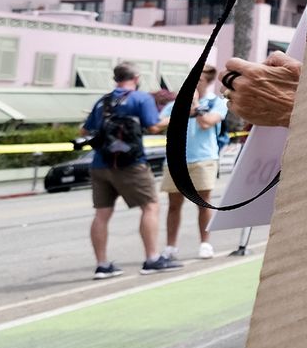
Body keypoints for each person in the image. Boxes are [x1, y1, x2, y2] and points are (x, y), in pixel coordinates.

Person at [79, 63, 181, 278]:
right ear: (136, 77)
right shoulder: (140, 98)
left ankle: (102, 265)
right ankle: (152, 259)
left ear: (116, 78)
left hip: (100, 163)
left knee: (101, 214)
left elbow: (84, 130)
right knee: (150, 206)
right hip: (131, 163)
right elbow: (153, 126)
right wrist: (175, 117)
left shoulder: (102, 101)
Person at [161, 66, 228, 260]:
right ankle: (171, 247)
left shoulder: (217, 102)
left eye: (197, 80)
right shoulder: (177, 104)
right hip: (176, 159)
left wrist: (196, 106)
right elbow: (158, 123)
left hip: (204, 159)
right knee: (174, 205)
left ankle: (205, 243)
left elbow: (206, 123)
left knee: (204, 203)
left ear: (208, 81)